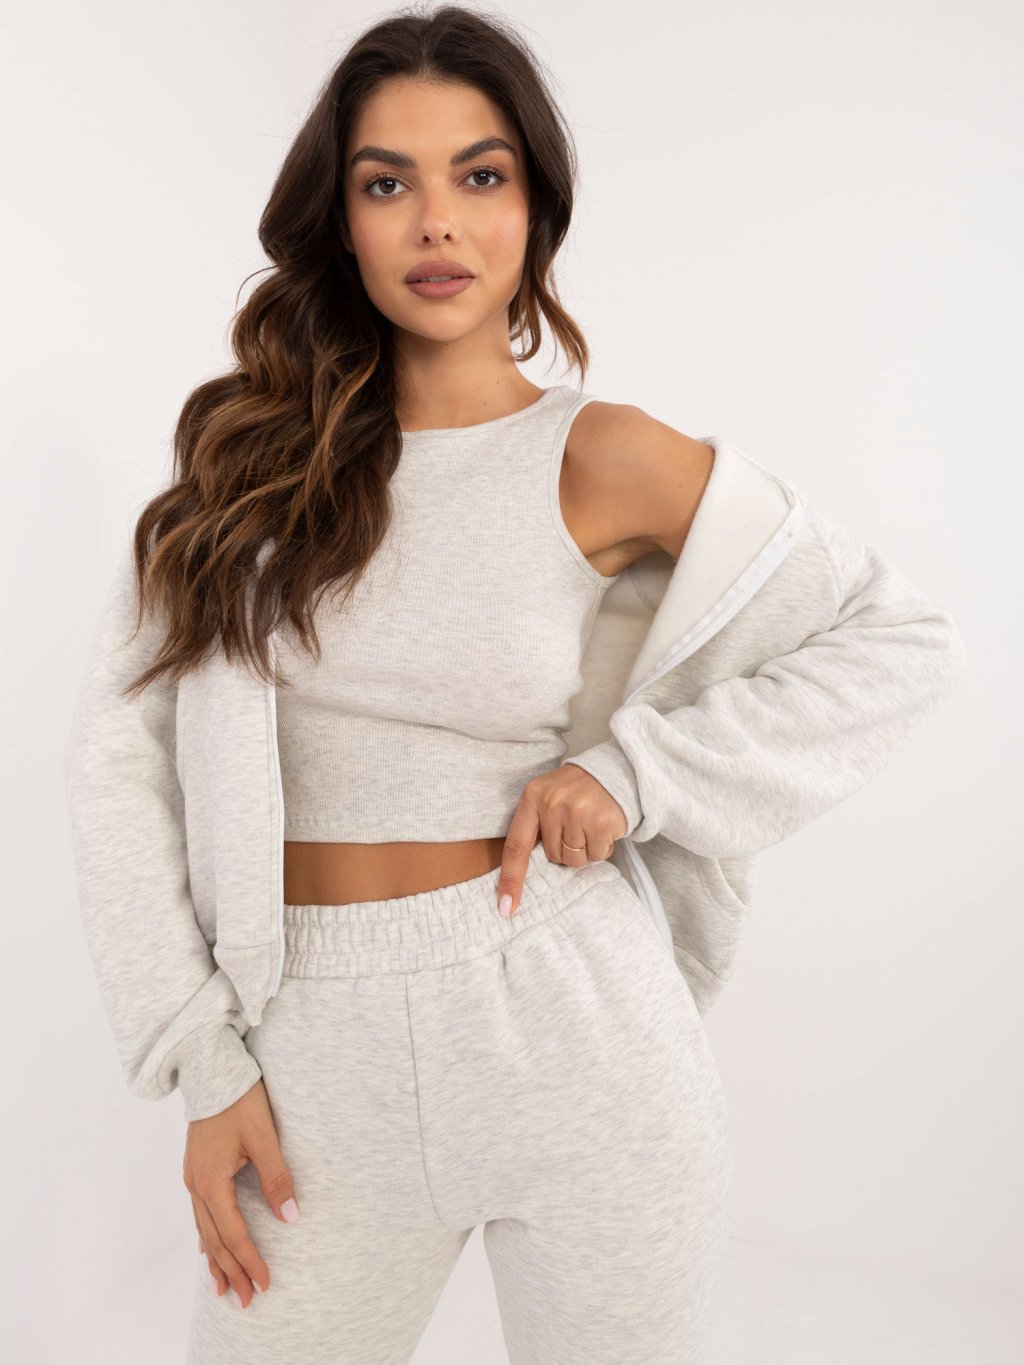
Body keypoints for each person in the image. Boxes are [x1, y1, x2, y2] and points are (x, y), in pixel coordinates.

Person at [62, 7, 967, 1363]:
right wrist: (205, 1063)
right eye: (388, 183)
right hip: (307, 1063)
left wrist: (635, 774)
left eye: (479, 176)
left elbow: (897, 639)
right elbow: (118, 769)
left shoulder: (605, 454)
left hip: (578, 1033)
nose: (437, 222)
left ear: (535, 208)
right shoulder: (242, 475)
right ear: (340, 219)